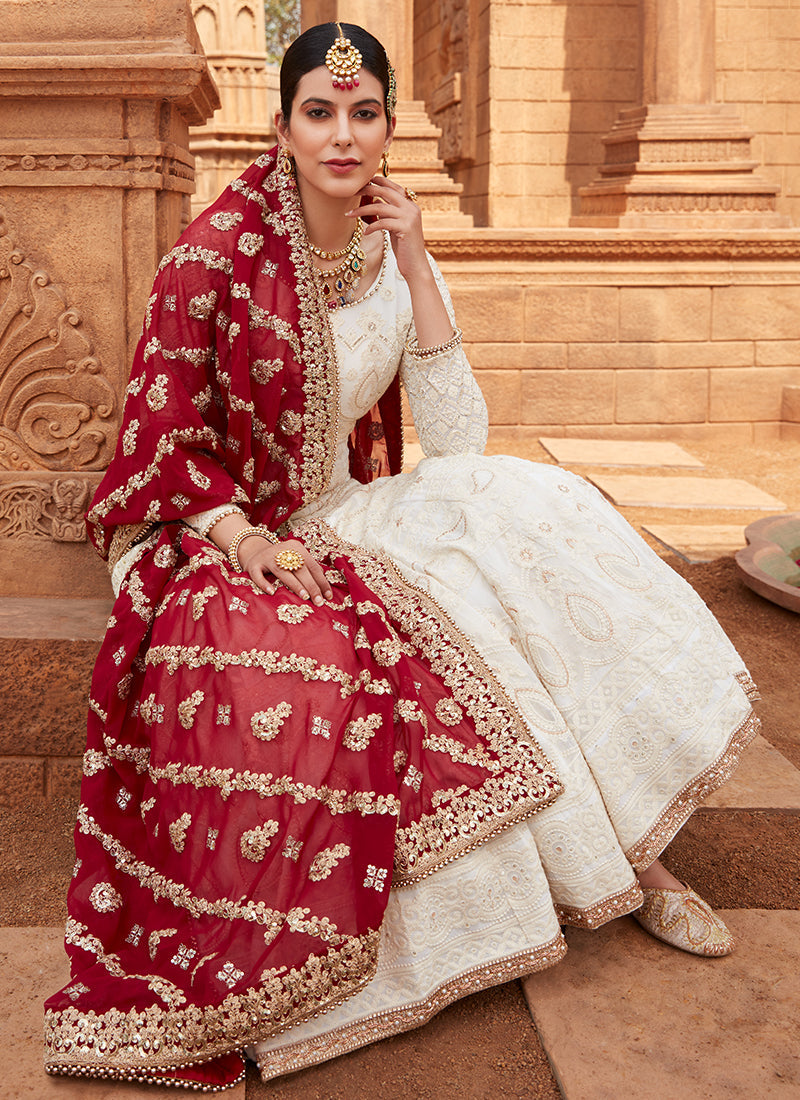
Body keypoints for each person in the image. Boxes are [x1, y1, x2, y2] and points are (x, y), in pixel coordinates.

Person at [44, 22, 758, 1092]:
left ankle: (633, 859)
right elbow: (159, 450)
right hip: (213, 528)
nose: (343, 134)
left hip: (342, 508)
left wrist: (419, 256)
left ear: (387, 127)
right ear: (282, 127)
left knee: (512, 517)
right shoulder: (213, 256)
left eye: (364, 111)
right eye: (320, 112)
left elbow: (457, 437)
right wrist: (241, 535)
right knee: (332, 658)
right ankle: (579, 874)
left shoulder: (384, 248)